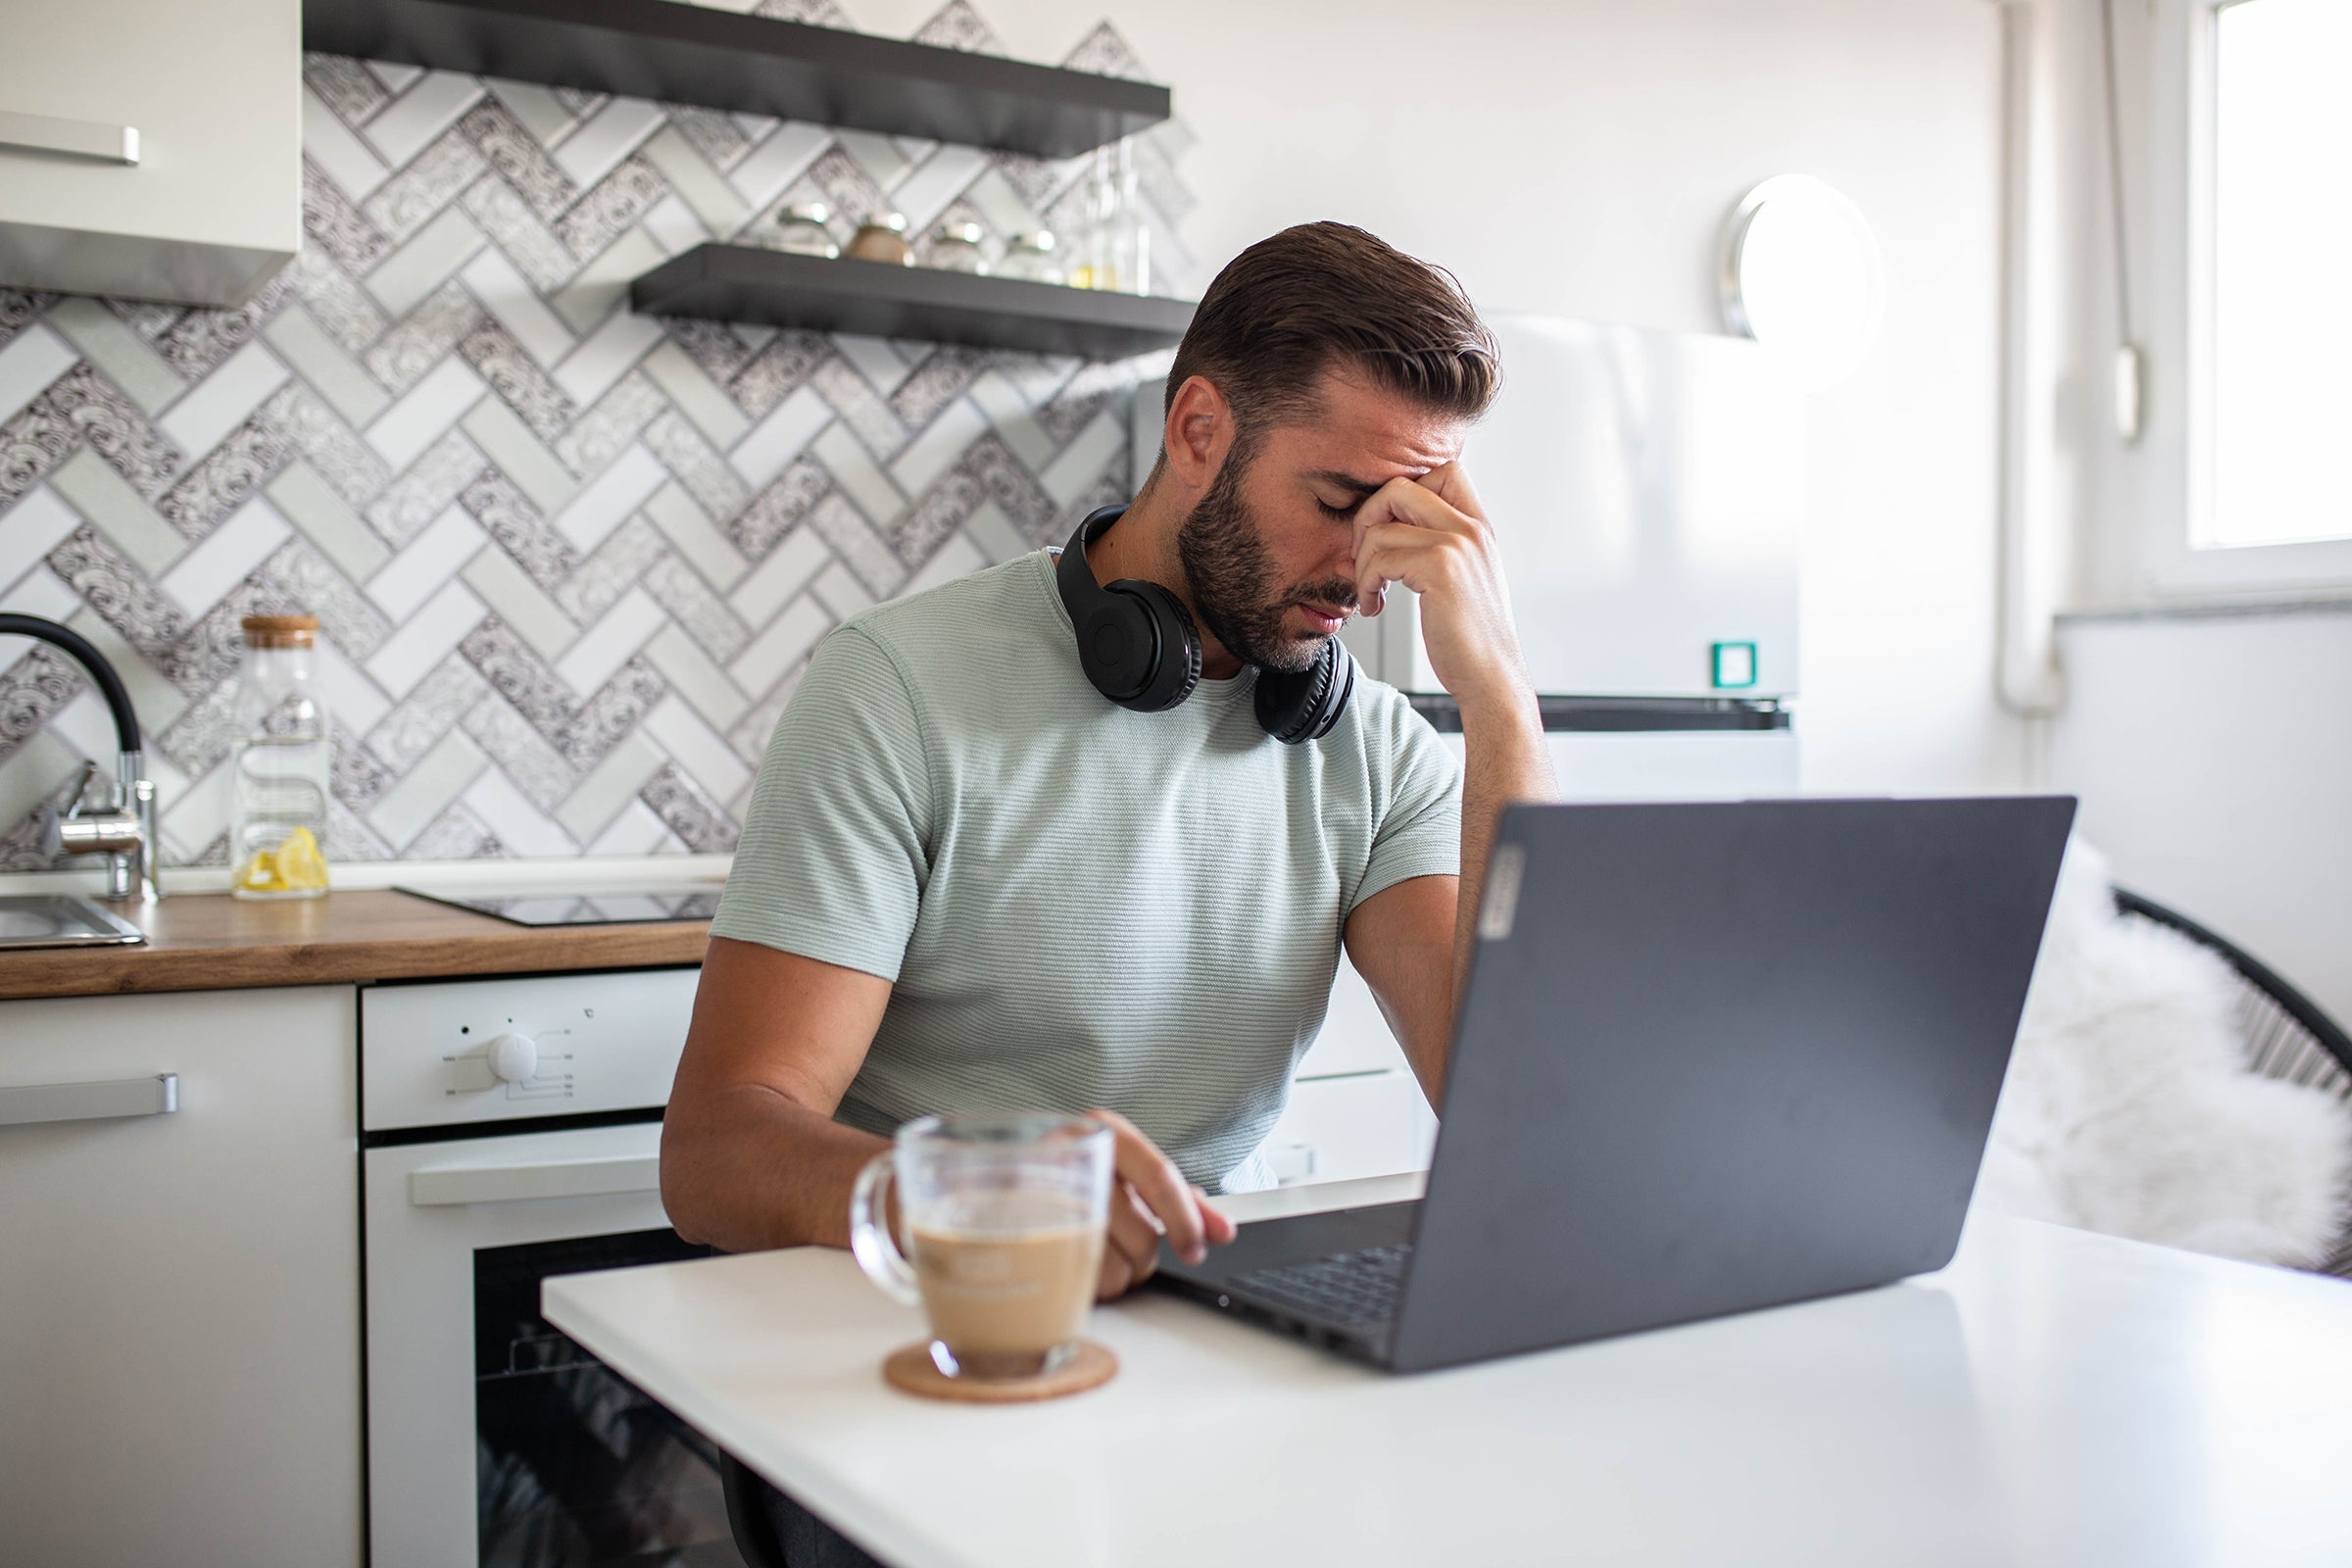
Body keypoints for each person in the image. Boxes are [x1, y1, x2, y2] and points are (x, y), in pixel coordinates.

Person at [661, 220, 1555, 1562]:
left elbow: (1518, 1116)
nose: (1363, 571)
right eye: (1337, 501)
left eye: (1408, 517)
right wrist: (981, 1195)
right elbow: (718, 1151)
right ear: (1199, 426)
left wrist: (1500, 701)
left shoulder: (1372, 749)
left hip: (1188, 1365)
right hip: (910, 1361)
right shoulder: (899, 688)